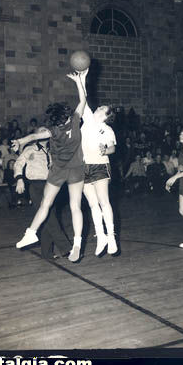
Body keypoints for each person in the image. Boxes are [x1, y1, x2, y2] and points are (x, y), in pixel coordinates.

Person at [13, 71, 88, 263]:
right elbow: (83, 99)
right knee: (75, 207)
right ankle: (77, 243)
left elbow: (33, 137)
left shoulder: (52, 131)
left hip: (57, 171)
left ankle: (31, 232)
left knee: (45, 204)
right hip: (76, 169)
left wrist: (19, 140)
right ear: (66, 116)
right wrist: (80, 81)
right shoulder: (74, 122)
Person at [13, 137, 70, 259]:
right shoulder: (30, 149)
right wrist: (19, 179)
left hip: (51, 185)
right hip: (36, 185)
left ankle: (47, 252)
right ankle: (66, 248)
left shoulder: (51, 151)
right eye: (41, 131)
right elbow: (18, 163)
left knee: (48, 217)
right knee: (49, 217)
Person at [79, 81, 118, 255]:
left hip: (100, 165)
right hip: (83, 167)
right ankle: (101, 236)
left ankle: (111, 237)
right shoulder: (87, 119)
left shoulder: (108, 129)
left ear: (106, 115)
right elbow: (84, 98)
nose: (99, 107)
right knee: (93, 205)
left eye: (102, 108)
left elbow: (112, 148)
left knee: (104, 202)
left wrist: (105, 150)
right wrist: (81, 79)